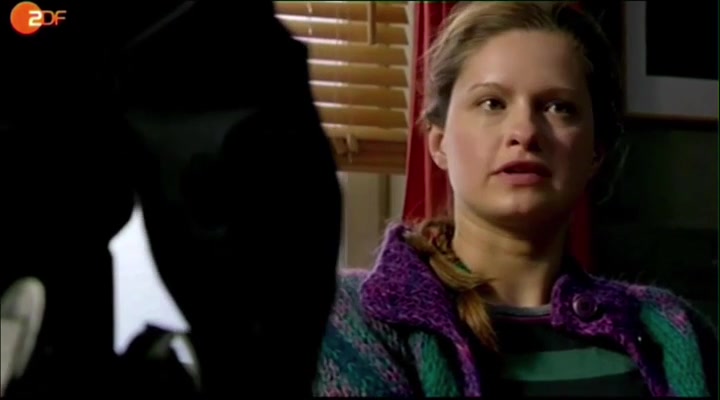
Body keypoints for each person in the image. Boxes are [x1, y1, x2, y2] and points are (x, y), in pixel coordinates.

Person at [311, 2, 718, 397]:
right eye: (492, 103)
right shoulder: (347, 321)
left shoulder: (676, 334)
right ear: (439, 143)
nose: (525, 132)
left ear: (595, 152)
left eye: (558, 107)